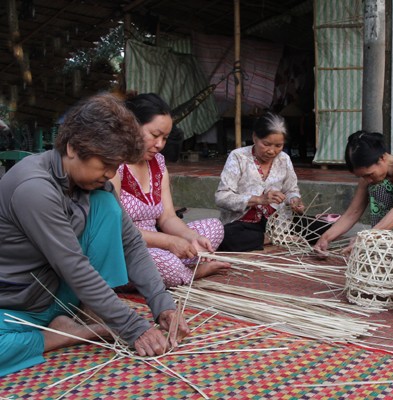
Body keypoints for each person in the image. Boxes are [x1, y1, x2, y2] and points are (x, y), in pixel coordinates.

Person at [0, 93, 189, 377]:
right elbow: (75, 267)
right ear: (74, 148)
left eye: (117, 166)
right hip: (18, 305)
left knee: (106, 207)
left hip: (59, 292)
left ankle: (85, 310)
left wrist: (162, 303)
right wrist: (132, 327)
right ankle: (71, 332)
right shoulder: (34, 188)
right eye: (106, 165)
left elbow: (132, 244)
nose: (110, 175)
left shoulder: (93, 184)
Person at [111, 93, 230, 288]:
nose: (159, 145)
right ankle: (190, 274)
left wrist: (191, 238)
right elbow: (116, 230)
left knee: (214, 228)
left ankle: (169, 273)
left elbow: (167, 218)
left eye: (164, 138)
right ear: (131, 126)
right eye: (154, 135)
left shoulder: (158, 163)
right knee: (166, 264)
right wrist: (168, 242)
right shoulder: (114, 166)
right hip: (126, 247)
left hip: (159, 246)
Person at [216, 112, 329, 252]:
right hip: (243, 223)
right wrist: (258, 199)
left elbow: (291, 189)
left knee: (325, 228)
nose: (272, 151)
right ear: (254, 138)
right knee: (226, 237)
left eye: (278, 145)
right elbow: (222, 197)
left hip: (278, 221)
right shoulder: (238, 157)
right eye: (266, 144)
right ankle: (272, 238)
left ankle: (274, 236)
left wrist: (294, 200)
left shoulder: (284, 159)